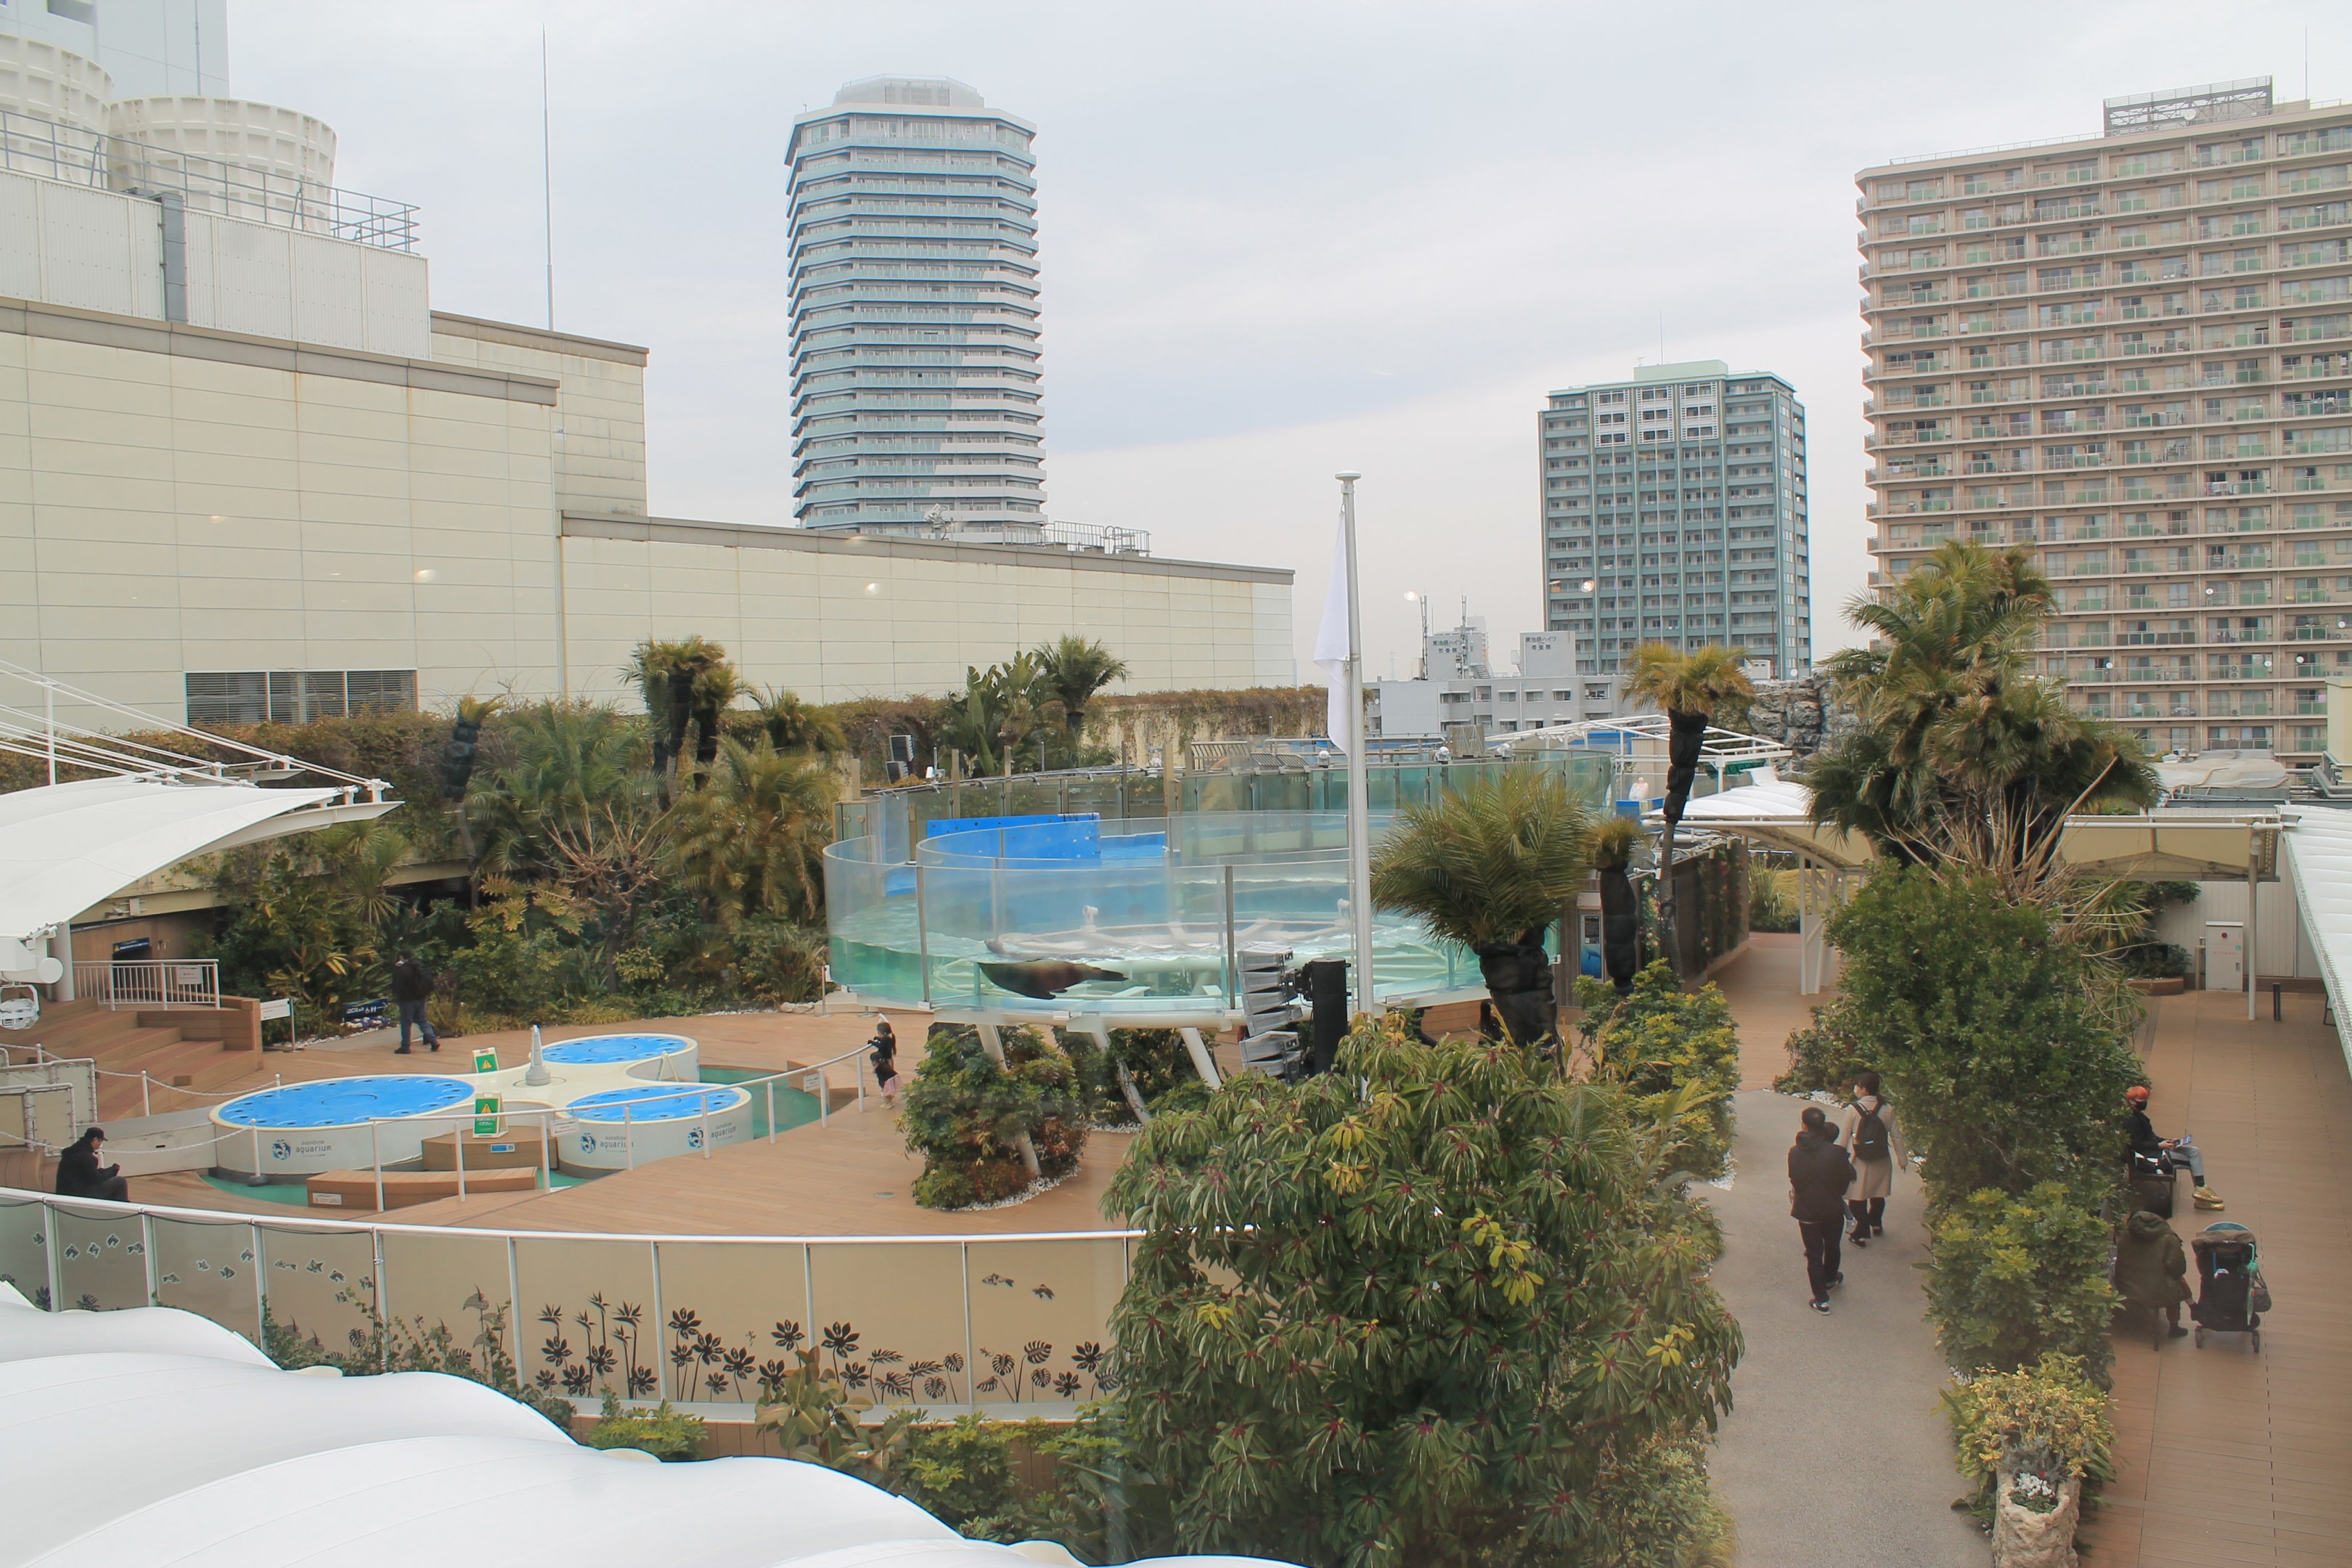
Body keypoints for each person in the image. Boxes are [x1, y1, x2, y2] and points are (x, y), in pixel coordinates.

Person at [1788, 1104, 1855, 1315]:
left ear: (1804, 1125)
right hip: (1832, 1209)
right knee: (1833, 1245)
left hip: (1807, 1211)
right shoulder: (1836, 1153)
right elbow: (1848, 1177)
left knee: (1814, 1254)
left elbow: (1796, 1180)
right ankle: (1830, 1278)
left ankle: (1821, 1300)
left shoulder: (1795, 1153)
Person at [1837, 1070, 1909, 1246]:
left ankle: (1860, 1233)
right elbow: (1896, 1136)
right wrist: (1902, 1158)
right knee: (1878, 1193)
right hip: (1881, 1158)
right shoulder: (1887, 1108)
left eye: (1858, 1087)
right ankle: (1876, 1223)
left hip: (1860, 1159)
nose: (1856, 1089)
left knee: (1857, 1196)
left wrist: (1838, 1160)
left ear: (1863, 1089)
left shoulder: (1853, 1109)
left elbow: (1845, 1137)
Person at [2126, 1084, 2221, 1211]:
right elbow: (2135, 1144)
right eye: (2141, 1100)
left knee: (2194, 1151)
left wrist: (2167, 1141)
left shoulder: (2139, 1116)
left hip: (2155, 1150)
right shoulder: (2131, 1120)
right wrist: (2159, 1145)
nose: (2144, 1103)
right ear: (2132, 1102)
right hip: (2149, 1158)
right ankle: (2201, 1192)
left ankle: (2201, 1190)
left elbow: (2150, 1137)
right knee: (2192, 1160)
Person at [2112, 1207, 2192, 1339]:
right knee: (2175, 1287)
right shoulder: (2169, 1239)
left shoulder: (2126, 1234)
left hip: (2125, 1286)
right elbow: (2178, 1268)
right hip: (2156, 1292)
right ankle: (2174, 1328)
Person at [54, 1127, 128, 1201]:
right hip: (80, 1195)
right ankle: (124, 1209)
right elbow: (96, 1179)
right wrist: (112, 1171)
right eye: (101, 1141)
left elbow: (90, 1174)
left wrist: (108, 1170)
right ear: (95, 1140)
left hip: (65, 1193)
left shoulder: (72, 1152)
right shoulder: (86, 1157)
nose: (100, 1145)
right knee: (120, 1181)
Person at [389, 950, 439, 1055]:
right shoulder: (419, 966)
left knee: (406, 1023)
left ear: (402, 957)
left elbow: (398, 985)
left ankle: (405, 1046)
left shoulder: (403, 970)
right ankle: (433, 1040)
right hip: (421, 998)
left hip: (407, 1000)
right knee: (422, 1020)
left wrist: (397, 969)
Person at [868, 1017, 900, 1108]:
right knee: (889, 1083)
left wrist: (872, 1042)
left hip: (886, 1063)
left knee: (885, 1084)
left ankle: (887, 1102)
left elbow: (881, 1046)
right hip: (888, 1062)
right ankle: (889, 1098)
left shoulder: (885, 1041)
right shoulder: (890, 1038)